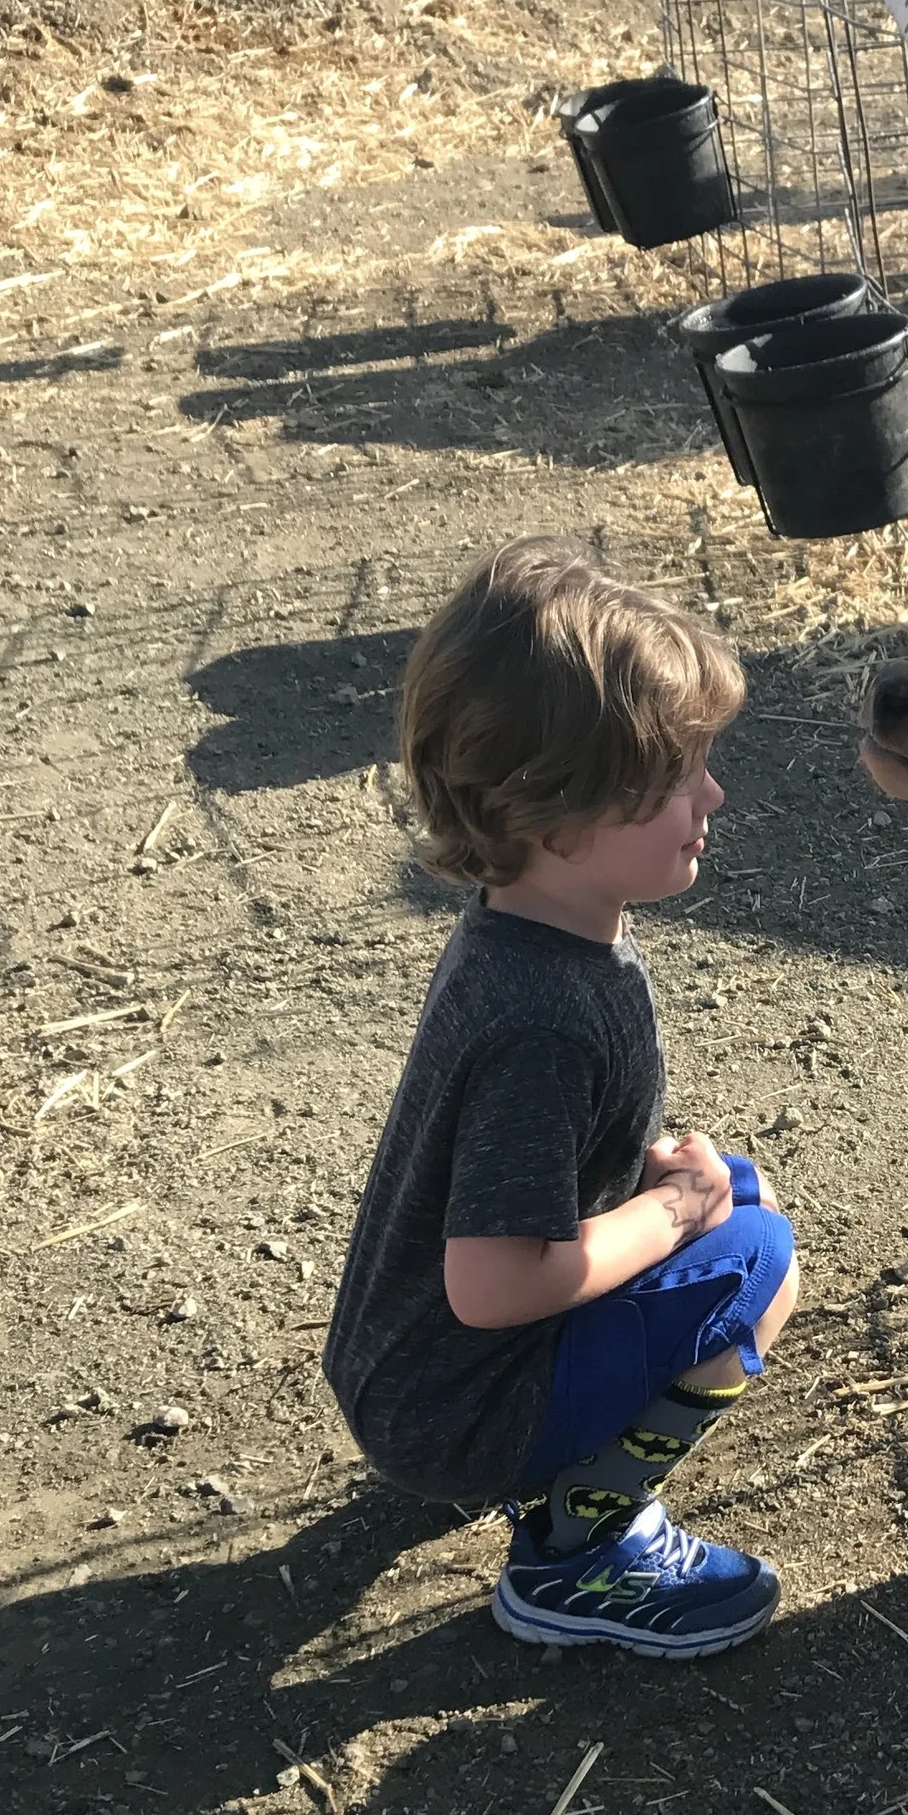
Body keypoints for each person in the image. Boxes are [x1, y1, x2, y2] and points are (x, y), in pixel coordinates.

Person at [324, 538, 797, 1659]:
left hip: (411, 1369)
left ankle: (533, 1470)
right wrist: (671, 1216)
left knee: (734, 1194)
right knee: (756, 1261)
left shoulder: (528, 937)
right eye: (673, 776)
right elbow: (492, 1286)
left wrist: (659, 1185)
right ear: (552, 812)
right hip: (450, 1395)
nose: (711, 794)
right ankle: (578, 1554)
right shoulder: (543, 1016)